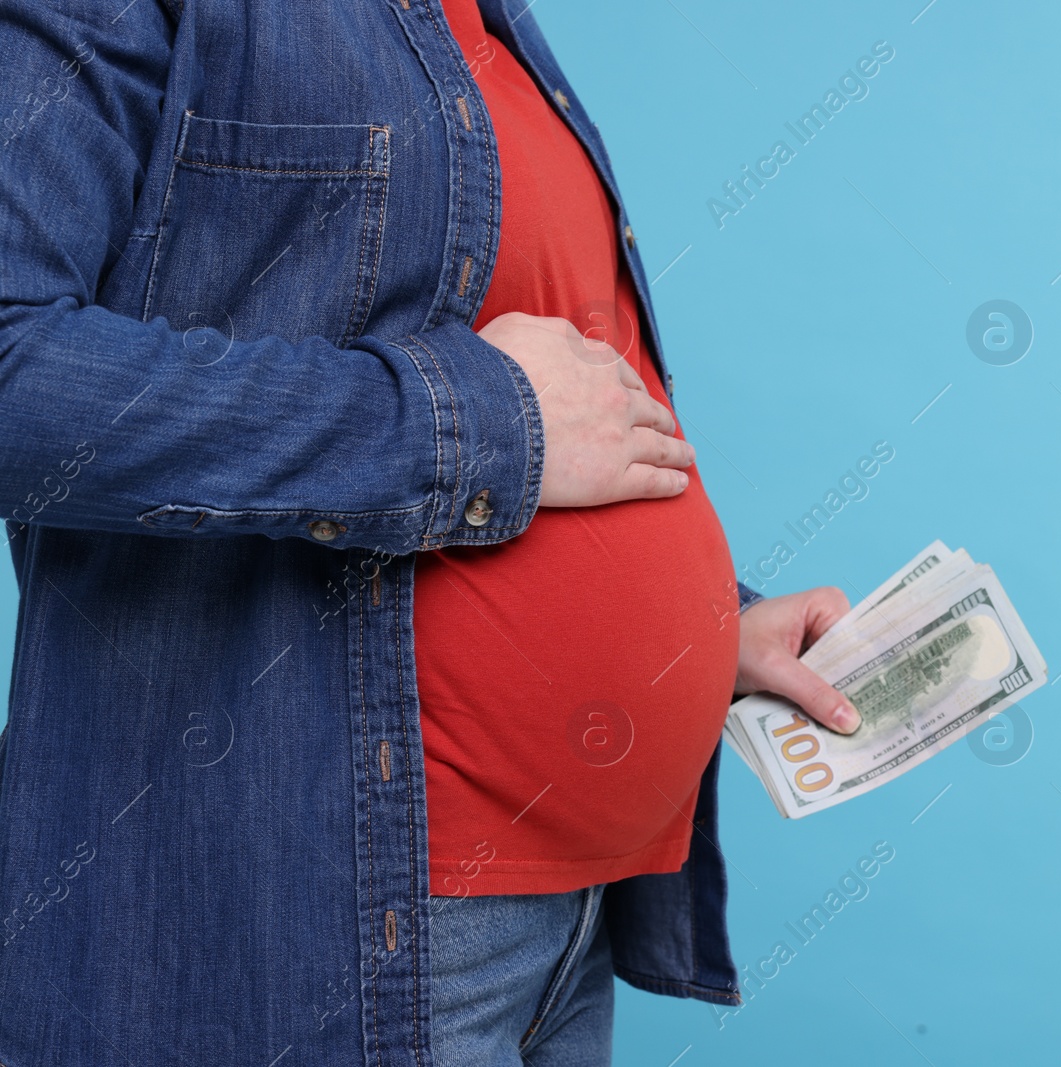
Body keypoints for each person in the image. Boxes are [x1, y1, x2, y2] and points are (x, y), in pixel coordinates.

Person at [0, 2, 859, 1064]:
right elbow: (15, 374)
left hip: (573, 920)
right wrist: (480, 419)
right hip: (352, 913)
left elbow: (569, 394)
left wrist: (709, 630)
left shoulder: (485, 23)